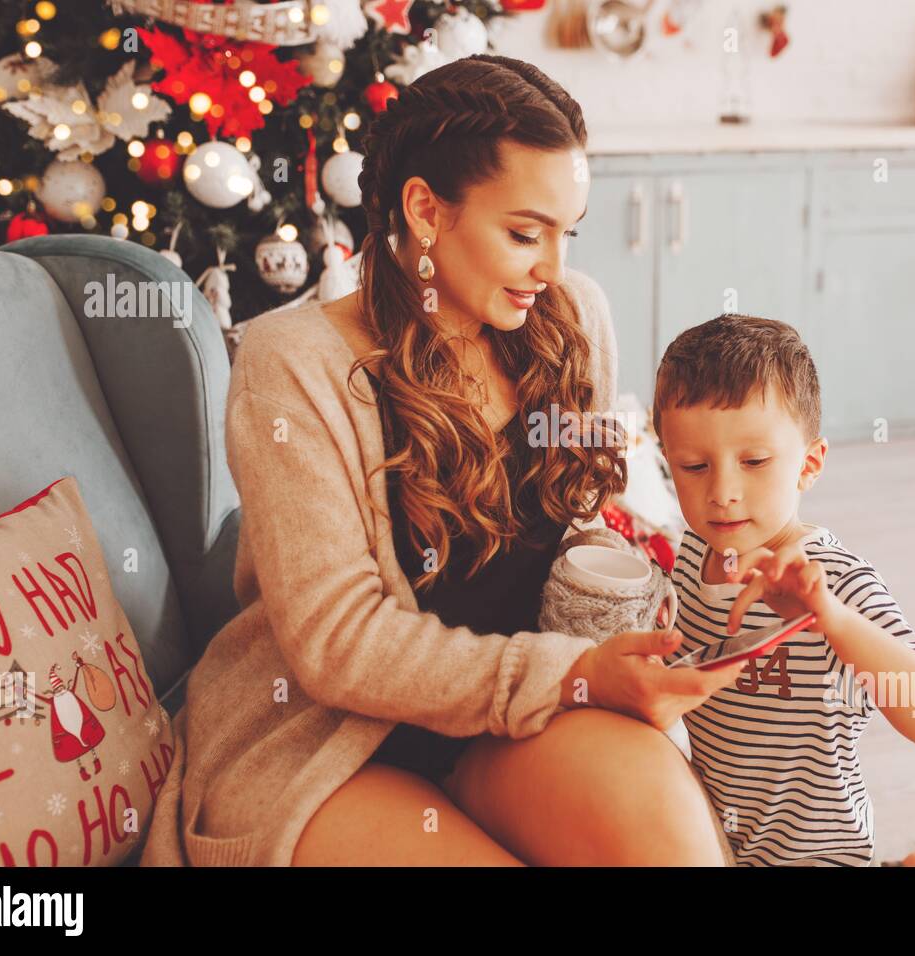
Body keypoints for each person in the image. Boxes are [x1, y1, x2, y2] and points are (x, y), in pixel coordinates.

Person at [140, 54, 744, 867]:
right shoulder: (294, 364)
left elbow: (581, 525)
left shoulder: (575, 319)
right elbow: (339, 645)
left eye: (567, 234)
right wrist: (576, 675)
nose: (552, 269)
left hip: (514, 713)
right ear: (425, 208)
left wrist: (673, 589)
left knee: (671, 844)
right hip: (335, 742)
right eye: (524, 234)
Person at [652, 314, 915, 865]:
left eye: (754, 462)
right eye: (694, 465)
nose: (723, 491)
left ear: (810, 463)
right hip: (716, 844)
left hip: (818, 856)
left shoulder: (837, 582)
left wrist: (832, 619)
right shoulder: (691, 555)